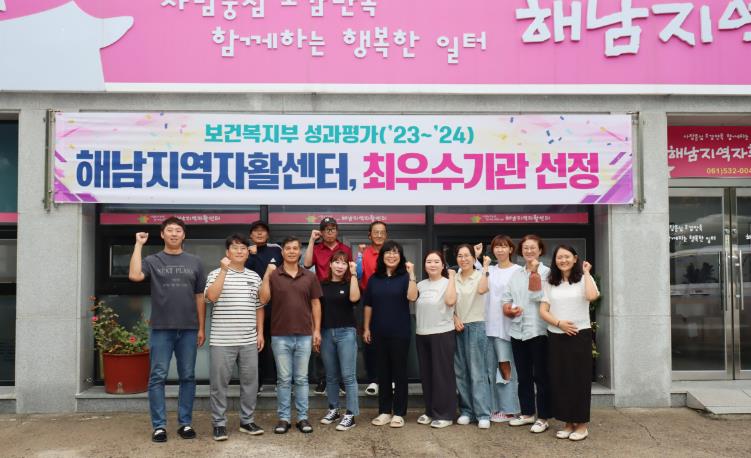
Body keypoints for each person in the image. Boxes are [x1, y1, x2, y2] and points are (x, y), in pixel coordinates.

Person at [128, 216, 206, 443]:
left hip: (189, 329)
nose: (174, 234)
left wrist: (201, 327)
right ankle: (159, 426)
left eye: (178, 230)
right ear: (162, 235)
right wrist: (138, 245)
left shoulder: (195, 261)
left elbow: (199, 296)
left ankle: (185, 423)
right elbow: (134, 275)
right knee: (157, 377)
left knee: (188, 376)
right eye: (170, 230)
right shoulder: (153, 260)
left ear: (184, 235)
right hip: (161, 328)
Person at [259, 236, 322, 435]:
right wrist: (266, 275)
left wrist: (316, 330)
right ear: (282, 252)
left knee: (302, 379)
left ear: (300, 252)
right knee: (284, 379)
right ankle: (284, 418)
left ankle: (302, 418)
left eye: (295, 248)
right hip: (280, 335)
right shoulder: (274, 275)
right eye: (288, 248)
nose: (292, 251)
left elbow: (316, 304)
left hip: (304, 334)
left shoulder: (309, 276)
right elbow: (263, 299)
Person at [205, 234, 264, 441]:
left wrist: (260, 332)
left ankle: (247, 421)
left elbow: (259, 306)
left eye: (243, 248)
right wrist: (223, 270)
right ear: (227, 252)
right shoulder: (215, 274)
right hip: (222, 340)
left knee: (250, 383)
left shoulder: (254, 277)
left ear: (248, 253)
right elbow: (211, 297)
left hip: (248, 340)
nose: (239, 251)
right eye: (235, 247)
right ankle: (219, 424)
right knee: (219, 385)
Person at [539, 245, 600, 442]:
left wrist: (587, 272)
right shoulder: (550, 282)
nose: (563, 260)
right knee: (561, 380)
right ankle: (567, 423)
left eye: (567, 257)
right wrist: (559, 323)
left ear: (575, 258)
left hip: (579, 335)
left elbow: (592, 297)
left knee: (579, 380)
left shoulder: (583, 278)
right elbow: (543, 311)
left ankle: (581, 425)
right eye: (559, 257)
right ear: (555, 260)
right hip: (557, 335)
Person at [363, 240, 418, 428]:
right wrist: (366, 328)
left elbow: (412, 297)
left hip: (400, 331)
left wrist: (412, 274)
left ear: (400, 257)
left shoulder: (405, 277)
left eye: (395, 253)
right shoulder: (374, 279)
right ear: (382, 256)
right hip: (378, 331)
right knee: (383, 372)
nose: (391, 255)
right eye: (388, 252)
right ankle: (385, 411)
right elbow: (368, 305)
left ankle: (399, 413)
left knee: (399, 372)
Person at [502, 234, 552, 434]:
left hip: (539, 331)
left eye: (533, 248)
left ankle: (544, 417)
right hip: (518, 330)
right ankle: (527, 413)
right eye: (525, 248)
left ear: (540, 250)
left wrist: (535, 273)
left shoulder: (548, 273)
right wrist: (508, 309)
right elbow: (506, 298)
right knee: (523, 376)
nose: (529, 251)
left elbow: (539, 297)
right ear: (521, 251)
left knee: (541, 376)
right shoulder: (516, 274)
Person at [303, 217, 352, 394]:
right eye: (326, 229)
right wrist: (311, 240)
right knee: (321, 335)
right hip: (321, 294)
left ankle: (342, 380)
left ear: (337, 231)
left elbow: (349, 271)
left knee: (341, 337)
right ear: (321, 232)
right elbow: (307, 264)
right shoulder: (317, 248)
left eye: (332, 229)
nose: (329, 232)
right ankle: (323, 378)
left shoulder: (345, 249)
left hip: (340, 293)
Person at [318, 251, 361, 431]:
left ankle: (350, 414)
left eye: (344, 263)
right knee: (331, 375)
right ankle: (334, 409)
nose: (340, 266)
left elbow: (354, 298)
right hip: (326, 332)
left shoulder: (350, 283)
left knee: (348, 376)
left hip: (346, 333)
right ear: (330, 264)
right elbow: (316, 309)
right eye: (337, 262)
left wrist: (354, 274)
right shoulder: (322, 285)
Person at [415, 250, 457, 429]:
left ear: (443, 265)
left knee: (442, 375)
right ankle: (430, 411)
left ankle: (445, 414)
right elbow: (411, 298)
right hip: (422, 332)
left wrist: (452, 277)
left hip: (442, 332)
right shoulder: (420, 285)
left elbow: (450, 301)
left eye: (436, 261)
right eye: (429, 261)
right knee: (427, 375)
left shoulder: (448, 282)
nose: (432, 264)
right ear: (425, 265)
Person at [482, 237, 522, 423]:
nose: (500, 250)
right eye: (497, 247)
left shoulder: (518, 271)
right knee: (490, 370)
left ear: (511, 249)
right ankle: (494, 407)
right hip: (487, 326)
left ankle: (510, 409)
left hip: (507, 327)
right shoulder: (489, 270)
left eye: (504, 246)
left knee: (506, 368)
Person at [453, 244, 492, 429]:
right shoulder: (453, 277)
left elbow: (482, 290)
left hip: (476, 325)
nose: (463, 259)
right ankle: (467, 411)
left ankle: (483, 413)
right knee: (461, 372)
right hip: (458, 327)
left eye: (467, 255)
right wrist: (454, 318)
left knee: (477, 372)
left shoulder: (480, 275)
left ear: (472, 257)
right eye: (460, 256)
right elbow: (448, 302)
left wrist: (485, 267)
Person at [244, 220, 282, 392]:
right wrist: (250, 255)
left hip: (276, 306)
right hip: (252, 306)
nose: (259, 233)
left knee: (278, 344)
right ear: (251, 235)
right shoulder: (244, 251)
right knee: (256, 345)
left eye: (263, 231)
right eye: (256, 231)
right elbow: (242, 272)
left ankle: (280, 381)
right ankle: (257, 383)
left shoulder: (276, 250)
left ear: (268, 234)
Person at [356, 220, 388, 396]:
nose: (379, 235)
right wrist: (359, 256)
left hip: (388, 299)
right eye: (376, 232)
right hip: (367, 299)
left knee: (389, 338)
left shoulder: (391, 252)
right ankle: (373, 379)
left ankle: (388, 378)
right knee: (368, 339)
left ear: (386, 235)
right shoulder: (364, 253)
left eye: (382, 232)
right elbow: (358, 274)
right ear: (369, 235)